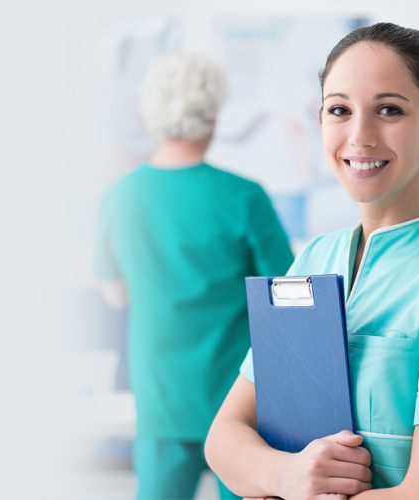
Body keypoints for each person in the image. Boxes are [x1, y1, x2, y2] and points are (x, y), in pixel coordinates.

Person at [205, 22, 419, 499]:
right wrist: (288, 476)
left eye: (389, 110)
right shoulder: (316, 258)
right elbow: (224, 439)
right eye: (339, 110)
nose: (360, 135)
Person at [94, 52, 294, 500]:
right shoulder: (244, 197)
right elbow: (286, 299)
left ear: (148, 117)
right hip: (238, 407)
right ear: (212, 117)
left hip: (160, 398)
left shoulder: (119, 197)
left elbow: (115, 294)